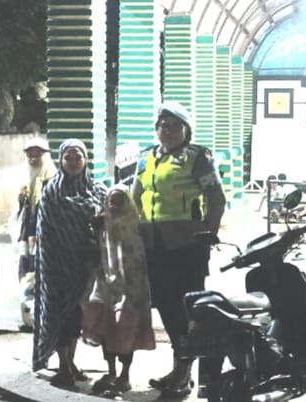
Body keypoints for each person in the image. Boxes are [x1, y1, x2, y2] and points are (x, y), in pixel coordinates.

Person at [132, 102, 226, 397]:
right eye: (163, 126)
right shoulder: (147, 157)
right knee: (166, 305)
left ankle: (185, 373)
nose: (168, 131)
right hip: (153, 244)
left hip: (186, 245)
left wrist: (207, 233)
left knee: (189, 308)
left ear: (186, 130)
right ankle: (179, 366)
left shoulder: (197, 157)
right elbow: (135, 193)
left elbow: (216, 197)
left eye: (175, 126)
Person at [32, 139, 108, 387]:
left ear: (85, 160)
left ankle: (71, 362)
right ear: (61, 161)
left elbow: (112, 220)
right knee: (58, 315)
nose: (74, 162)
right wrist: (53, 263)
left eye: (78, 157)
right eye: (68, 158)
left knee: (76, 315)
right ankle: (63, 365)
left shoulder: (96, 190)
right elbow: (45, 233)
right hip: (56, 266)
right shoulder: (52, 192)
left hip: (85, 266)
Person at [82, 184, 156, 394]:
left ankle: (124, 375)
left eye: (119, 199)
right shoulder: (101, 224)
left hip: (131, 286)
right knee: (106, 328)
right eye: (111, 200)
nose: (114, 204)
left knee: (125, 329)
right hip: (106, 283)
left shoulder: (137, 224)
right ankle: (111, 371)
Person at [10, 136, 57, 332]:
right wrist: (21, 201)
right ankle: (29, 318)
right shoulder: (23, 177)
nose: (33, 157)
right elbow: (18, 210)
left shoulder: (53, 177)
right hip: (27, 234)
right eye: (30, 153)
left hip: (45, 235)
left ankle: (45, 317)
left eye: (37, 153)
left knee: (44, 274)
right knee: (26, 273)